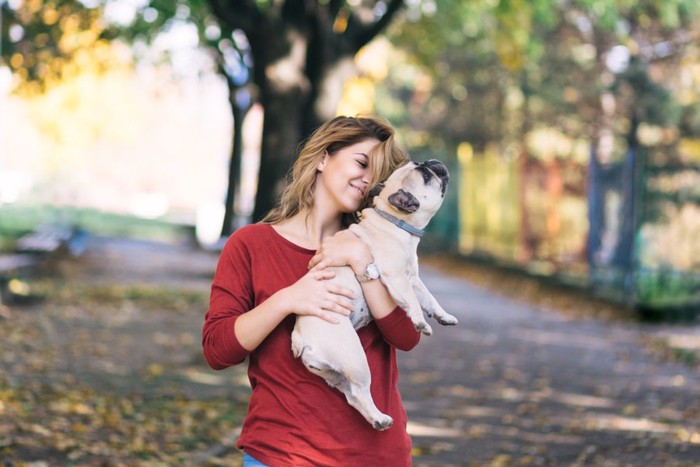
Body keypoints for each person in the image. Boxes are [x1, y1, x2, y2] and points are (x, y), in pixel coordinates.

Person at [202, 115, 421, 466]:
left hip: (374, 455)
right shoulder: (251, 245)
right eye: (361, 163)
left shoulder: (378, 246)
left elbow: (406, 336)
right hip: (281, 454)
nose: (367, 179)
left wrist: (363, 263)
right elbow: (217, 350)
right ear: (322, 158)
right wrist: (287, 300)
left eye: (377, 175)